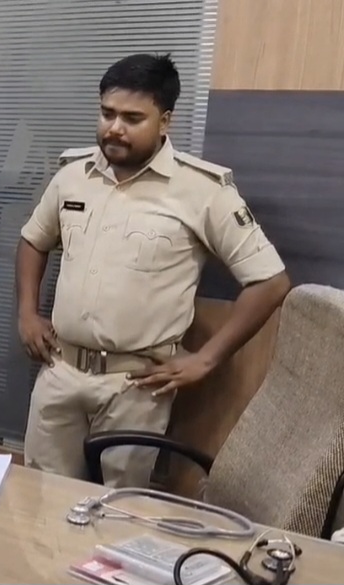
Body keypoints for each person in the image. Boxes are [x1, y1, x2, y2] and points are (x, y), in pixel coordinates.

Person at [16, 53, 290, 488]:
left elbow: (270, 281)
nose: (114, 128)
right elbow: (34, 239)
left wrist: (206, 359)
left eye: (132, 118)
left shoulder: (202, 191)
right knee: (40, 501)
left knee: (118, 510)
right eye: (107, 113)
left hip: (136, 386)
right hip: (60, 372)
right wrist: (27, 313)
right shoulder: (73, 176)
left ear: (165, 122)